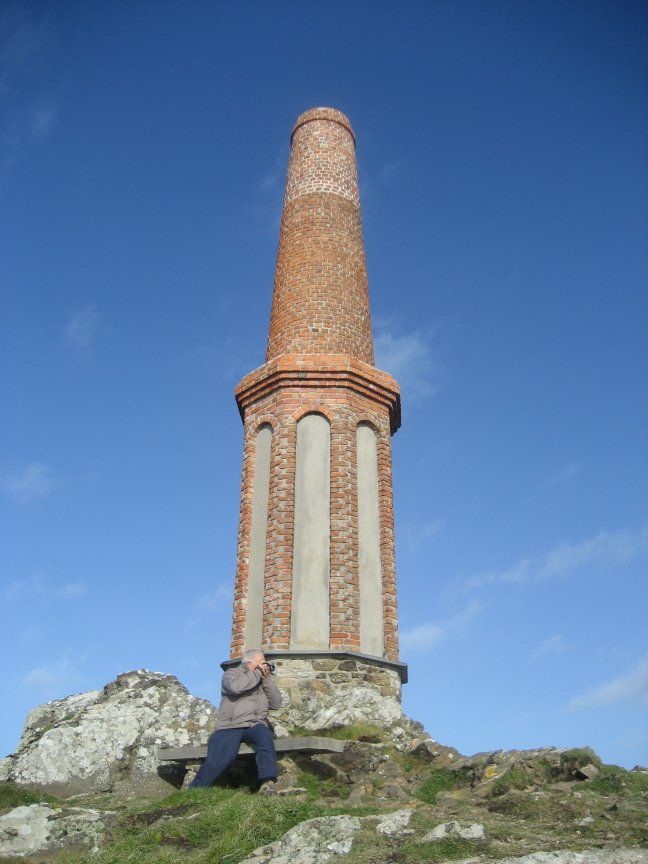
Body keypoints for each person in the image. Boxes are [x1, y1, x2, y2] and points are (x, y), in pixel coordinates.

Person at [190, 649, 283, 793]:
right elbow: (235, 688)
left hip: (255, 724)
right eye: (262, 663)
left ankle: (267, 781)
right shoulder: (231, 674)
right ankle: (196, 789)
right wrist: (257, 674)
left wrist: (266, 681)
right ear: (250, 663)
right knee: (221, 757)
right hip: (231, 725)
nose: (265, 666)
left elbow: (276, 703)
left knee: (265, 736)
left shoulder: (262, 680)